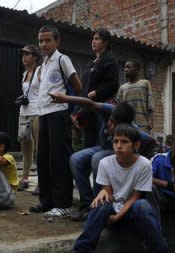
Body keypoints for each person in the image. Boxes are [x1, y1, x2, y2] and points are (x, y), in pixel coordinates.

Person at [62, 124, 175, 253]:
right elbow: (108, 192)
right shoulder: (105, 163)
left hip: (131, 211)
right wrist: (103, 193)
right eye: (115, 141)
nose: (118, 145)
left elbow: (136, 196)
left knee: (143, 206)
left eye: (124, 142)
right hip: (110, 210)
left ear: (136, 145)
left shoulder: (144, 164)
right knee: (100, 203)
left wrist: (118, 216)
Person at [49, 92, 155, 221]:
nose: (109, 125)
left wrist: (137, 156)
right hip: (102, 148)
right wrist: (66, 99)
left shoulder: (133, 130)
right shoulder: (111, 110)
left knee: (97, 159)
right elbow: (90, 103)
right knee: (75, 159)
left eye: (114, 124)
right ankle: (87, 204)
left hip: (116, 154)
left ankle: (99, 205)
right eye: (110, 121)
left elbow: (150, 141)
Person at [30, 25, 82, 218]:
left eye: (47, 40)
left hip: (58, 114)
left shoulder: (62, 59)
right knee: (43, 159)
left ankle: (63, 203)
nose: (43, 44)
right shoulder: (43, 64)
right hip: (43, 114)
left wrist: (73, 109)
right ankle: (46, 201)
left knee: (58, 159)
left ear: (57, 41)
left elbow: (77, 86)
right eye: (41, 41)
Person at [79, 28, 119, 147]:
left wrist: (97, 92)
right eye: (93, 39)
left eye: (97, 39)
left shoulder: (109, 60)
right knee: (88, 142)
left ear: (105, 42)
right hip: (88, 109)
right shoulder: (92, 63)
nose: (93, 41)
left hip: (101, 109)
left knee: (99, 142)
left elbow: (113, 84)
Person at [17, 45, 41, 191]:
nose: (24, 57)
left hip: (37, 112)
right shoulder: (24, 74)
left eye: (27, 54)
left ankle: (41, 181)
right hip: (23, 113)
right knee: (25, 147)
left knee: (39, 148)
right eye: (23, 55)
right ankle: (25, 178)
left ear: (35, 57)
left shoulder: (40, 71)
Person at [116, 60, 154, 133]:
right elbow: (119, 106)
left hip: (142, 124)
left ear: (137, 70)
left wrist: (150, 120)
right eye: (124, 67)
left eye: (128, 67)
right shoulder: (122, 88)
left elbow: (150, 104)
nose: (125, 69)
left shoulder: (145, 83)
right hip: (127, 124)